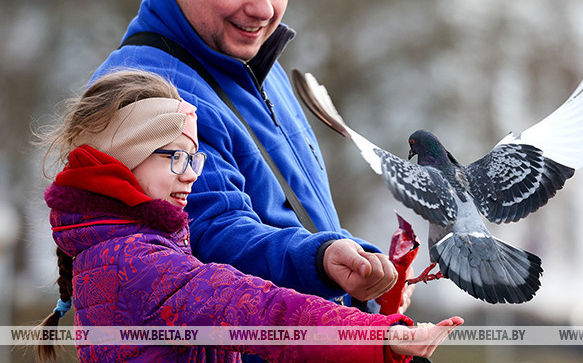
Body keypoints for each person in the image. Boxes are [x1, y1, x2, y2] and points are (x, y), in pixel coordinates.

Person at [91, 0, 399, 309]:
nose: (263, 9)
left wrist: (363, 272)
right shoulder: (144, 91)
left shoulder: (251, 62)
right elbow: (214, 235)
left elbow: (297, 223)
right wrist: (324, 259)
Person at [34, 69, 462, 363]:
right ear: (125, 158)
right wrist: (381, 337)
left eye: (196, 159)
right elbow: (263, 313)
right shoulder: (141, 265)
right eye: (177, 158)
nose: (191, 177)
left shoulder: (107, 252)